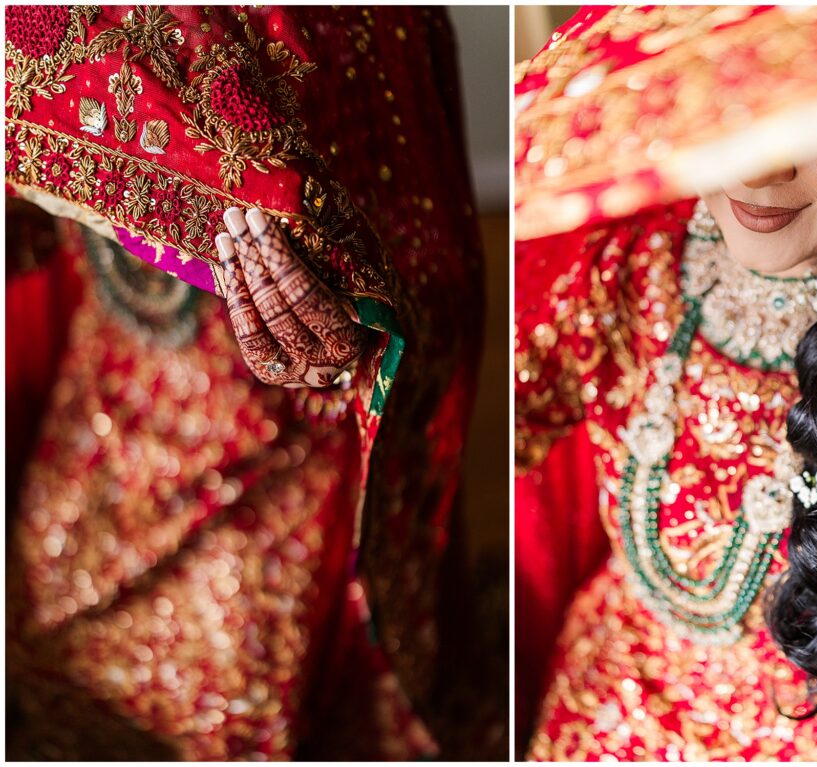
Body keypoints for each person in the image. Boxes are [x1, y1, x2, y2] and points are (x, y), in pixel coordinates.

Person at [515, 7, 817, 761]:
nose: (757, 165)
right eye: (728, 100)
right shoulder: (622, 263)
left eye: (815, 117)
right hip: (608, 703)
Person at [6, 5, 493, 759]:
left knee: (226, 714)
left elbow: (426, 276)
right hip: (93, 438)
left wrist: (348, 341)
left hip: (269, 483)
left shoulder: (363, 21)